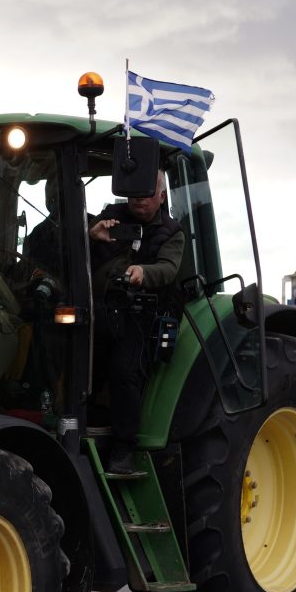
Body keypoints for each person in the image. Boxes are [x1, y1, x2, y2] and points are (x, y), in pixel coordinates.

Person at [88, 169, 185, 477]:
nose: (138, 200)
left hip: (141, 315)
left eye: (145, 193)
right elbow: (79, 252)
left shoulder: (172, 232)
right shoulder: (110, 216)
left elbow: (168, 269)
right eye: (133, 193)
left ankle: (123, 447)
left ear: (162, 195)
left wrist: (145, 273)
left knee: (124, 371)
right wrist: (91, 235)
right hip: (100, 309)